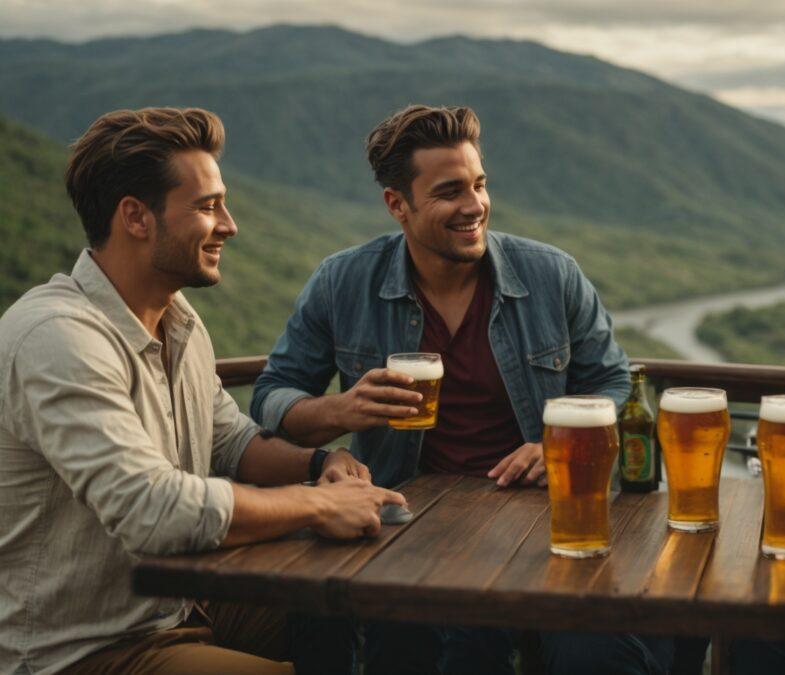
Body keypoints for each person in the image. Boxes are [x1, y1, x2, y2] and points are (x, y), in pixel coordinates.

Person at [251, 104, 672, 674]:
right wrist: (340, 410)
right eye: (450, 192)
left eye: (479, 184)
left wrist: (560, 443)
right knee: (429, 643)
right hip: (407, 521)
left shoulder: (552, 274)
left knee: (603, 652)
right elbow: (273, 396)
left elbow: (613, 382)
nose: (474, 206)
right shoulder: (342, 281)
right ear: (398, 205)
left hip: (542, 515)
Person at [0, 107, 405, 675]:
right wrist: (318, 504)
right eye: (208, 206)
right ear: (136, 217)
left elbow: (232, 440)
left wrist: (320, 464)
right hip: (80, 649)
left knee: (344, 608)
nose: (230, 224)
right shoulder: (56, 338)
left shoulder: (178, 321)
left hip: (179, 606)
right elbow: (151, 509)